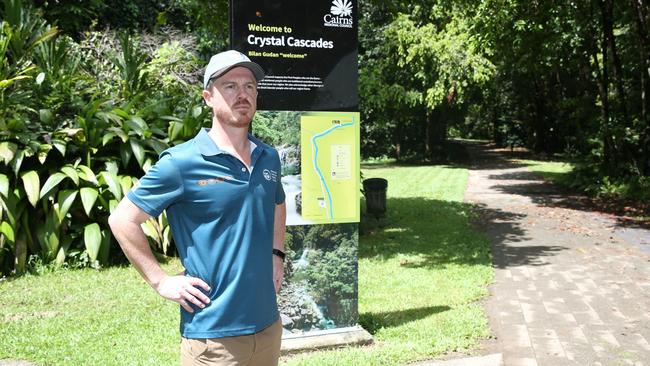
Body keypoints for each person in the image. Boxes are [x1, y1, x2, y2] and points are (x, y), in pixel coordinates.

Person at [108, 50, 287, 366]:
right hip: (213, 338)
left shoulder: (268, 157)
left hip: (269, 328)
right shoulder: (181, 163)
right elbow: (123, 220)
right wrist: (161, 281)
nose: (242, 94)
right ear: (208, 97)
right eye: (229, 86)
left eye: (249, 87)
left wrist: (277, 254)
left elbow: (278, 201)